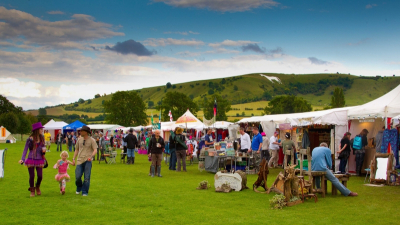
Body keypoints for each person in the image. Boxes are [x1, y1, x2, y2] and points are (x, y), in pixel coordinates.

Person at [19, 122, 47, 197]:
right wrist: (22, 159)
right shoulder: (29, 139)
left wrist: (44, 150)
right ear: (37, 130)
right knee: (32, 176)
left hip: (40, 159)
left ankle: (37, 186)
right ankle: (32, 190)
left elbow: (43, 147)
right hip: (31, 159)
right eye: (41, 129)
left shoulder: (42, 138)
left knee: (40, 176)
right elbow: (25, 149)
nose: (42, 130)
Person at [72, 126, 97, 196]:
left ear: (86, 132)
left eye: (82, 131)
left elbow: (95, 150)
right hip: (79, 160)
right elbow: (76, 149)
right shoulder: (79, 140)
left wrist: (91, 156)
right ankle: (79, 187)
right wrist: (73, 158)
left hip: (88, 160)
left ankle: (85, 191)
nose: (80, 132)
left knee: (86, 177)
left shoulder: (92, 140)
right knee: (77, 177)